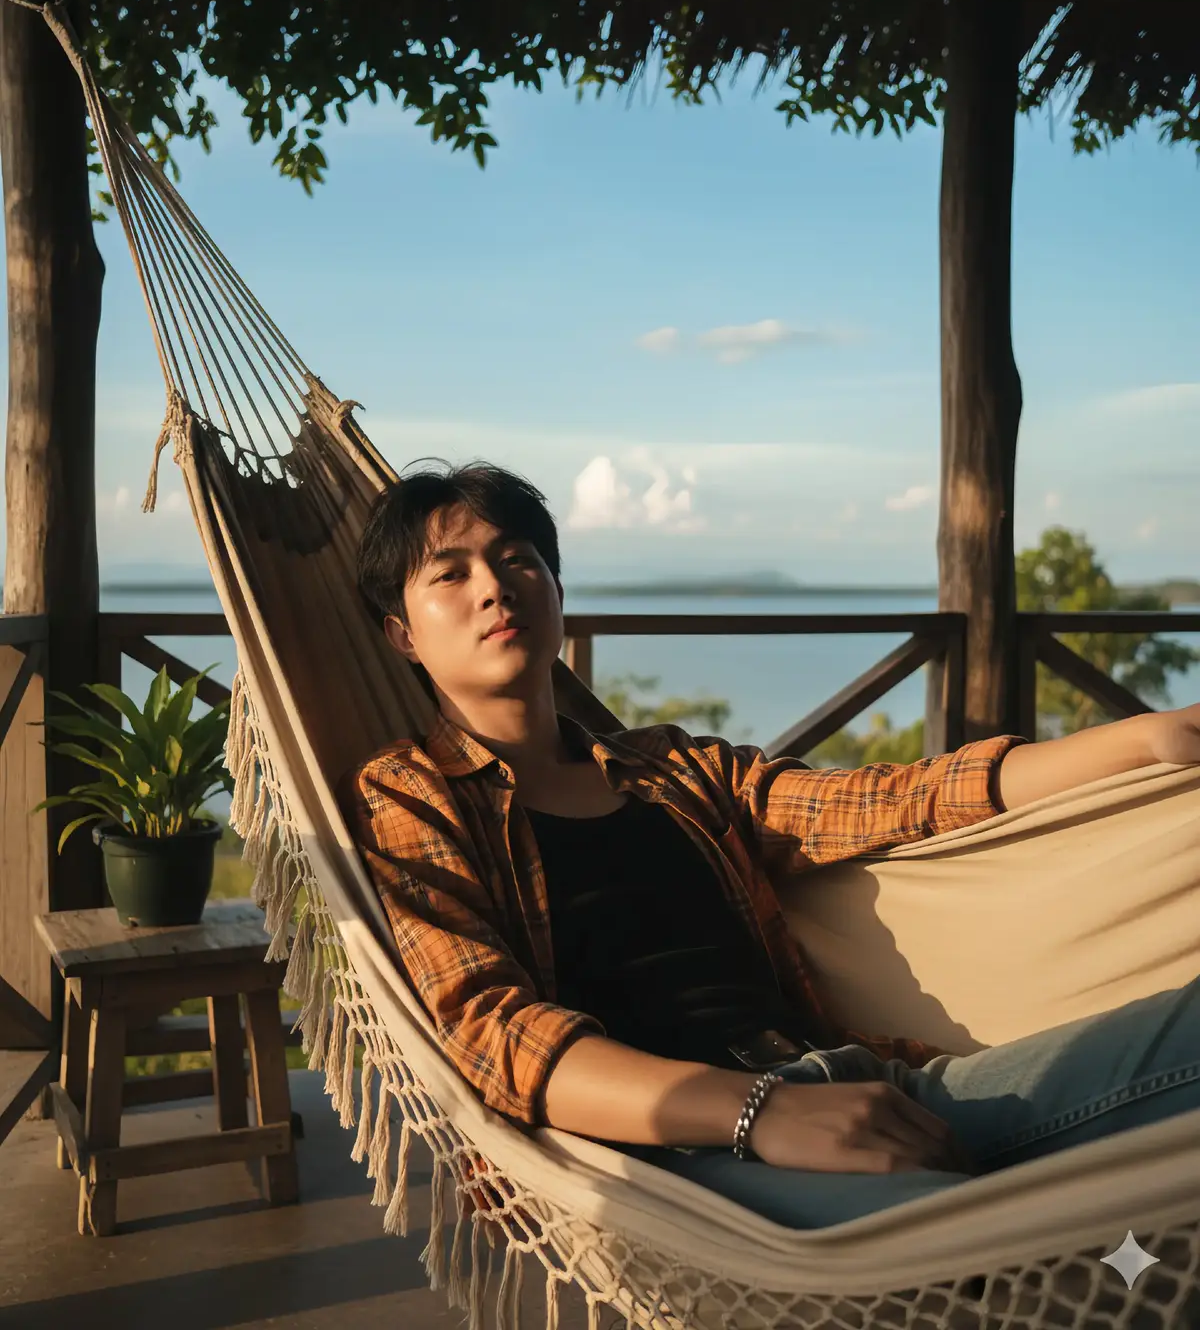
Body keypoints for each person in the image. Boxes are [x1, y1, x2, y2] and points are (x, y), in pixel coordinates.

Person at [341, 460, 1200, 1230]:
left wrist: (1142, 742)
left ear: (555, 588)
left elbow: (887, 799)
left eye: (517, 558)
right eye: (450, 574)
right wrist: (759, 1113)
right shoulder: (413, 798)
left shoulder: (671, 769)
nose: (495, 586)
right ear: (401, 636)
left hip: (864, 1085)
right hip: (680, 1159)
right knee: (980, 1244)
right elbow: (492, 1030)